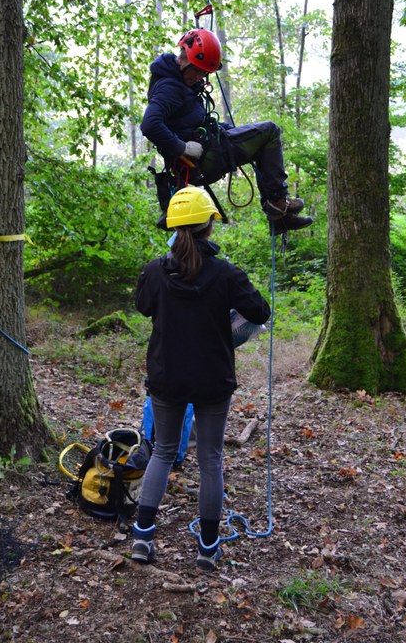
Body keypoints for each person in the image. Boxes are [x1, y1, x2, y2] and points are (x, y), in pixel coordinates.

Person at [131, 185, 271, 571]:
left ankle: (142, 537)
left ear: (174, 228)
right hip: (212, 379)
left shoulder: (155, 270)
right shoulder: (226, 274)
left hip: (166, 377)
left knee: (162, 450)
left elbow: (143, 306)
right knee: (210, 459)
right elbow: (260, 312)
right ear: (211, 224)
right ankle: (208, 548)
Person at [140, 28, 313, 233]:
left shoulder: (180, 84)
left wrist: (224, 129)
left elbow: (191, 122)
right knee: (270, 132)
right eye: (196, 70)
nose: (199, 76)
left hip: (204, 153)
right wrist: (182, 147)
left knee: (258, 137)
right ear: (184, 58)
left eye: (204, 73)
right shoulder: (171, 87)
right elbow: (149, 124)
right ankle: (277, 204)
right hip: (201, 159)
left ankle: (278, 211)